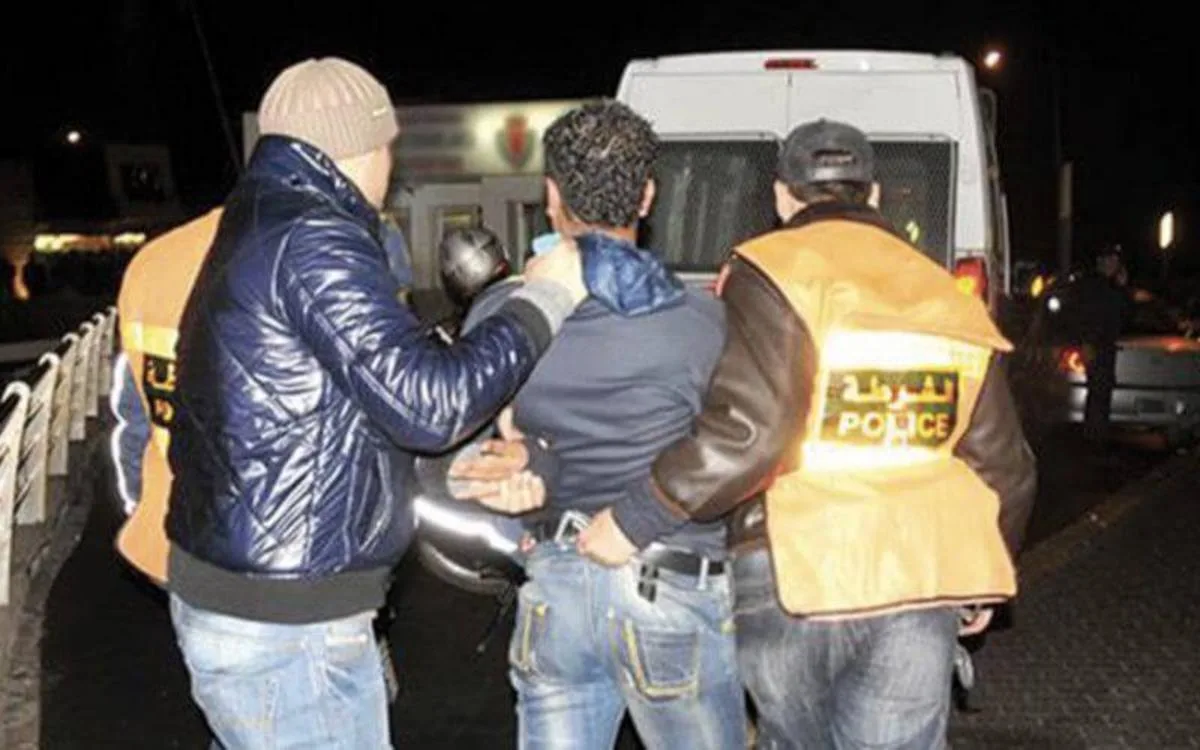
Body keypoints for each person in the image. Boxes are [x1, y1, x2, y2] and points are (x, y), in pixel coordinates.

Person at [163, 57, 586, 750]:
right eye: (391, 146)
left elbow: (326, 407)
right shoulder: (314, 236)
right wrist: (546, 299)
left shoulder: (259, 219)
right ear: (366, 145)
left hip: (246, 594)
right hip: (288, 623)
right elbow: (428, 406)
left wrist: (443, 474)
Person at [575, 119, 1037, 749]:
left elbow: (750, 433)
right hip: (919, 575)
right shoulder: (946, 293)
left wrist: (637, 515)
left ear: (782, 196)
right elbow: (1005, 465)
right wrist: (986, 569)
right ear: (874, 194)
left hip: (792, 574)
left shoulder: (769, 270)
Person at [445, 101, 745, 750]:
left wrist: (515, 474)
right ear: (647, 196)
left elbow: (477, 455)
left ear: (551, 196)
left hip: (556, 588)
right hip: (670, 586)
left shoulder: (501, 314)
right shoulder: (704, 322)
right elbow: (737, 449)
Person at [110, 207, 222, 586]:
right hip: (307, 565)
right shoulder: (329, 255)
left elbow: (134, 418)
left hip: (172, 539)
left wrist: (139, 505)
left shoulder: (152, 264)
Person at [1076, 244, 1129, 442]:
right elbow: (1088, 317)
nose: (1114, 265)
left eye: (1116, 261)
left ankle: (1097, 435)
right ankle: (1094, 436)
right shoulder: (1092, 286)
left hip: (1106, 346)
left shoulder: (1112, 287)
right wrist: (1087, 343)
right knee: (1098, 392)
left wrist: (1122, 288)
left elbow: (1124, 314)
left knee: (1103, 391)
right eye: (1111, 260)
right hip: (1096, 346)